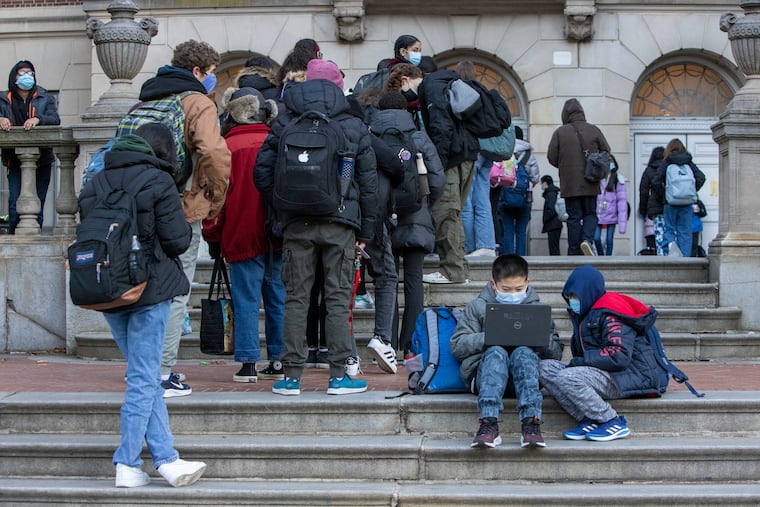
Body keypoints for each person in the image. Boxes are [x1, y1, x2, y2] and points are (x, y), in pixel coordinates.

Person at [77, 126, 206, 488]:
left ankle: (167, 458)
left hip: (106, 291)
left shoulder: (95, 182)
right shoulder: (158, 180)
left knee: (143, 376)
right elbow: (178, 240)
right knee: (143, 379)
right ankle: (127, 461)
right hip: (150, 289)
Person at [254, 59, 378, 395]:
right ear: (338, 88)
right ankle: (339, 375)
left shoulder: (285, 122)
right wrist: (366, 232)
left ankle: (291, 376)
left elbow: (261, 174)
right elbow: (369, 185)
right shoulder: (353, 125)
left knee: (296, 299)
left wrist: (286, 204)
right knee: (338, 300)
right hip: (340, 225)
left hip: (296, 224)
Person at [142, 40, 231, 398]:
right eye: (211, 73)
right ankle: (162, 372)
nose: (211, 80)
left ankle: (145, 367)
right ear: (197, 72)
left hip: (142, 206)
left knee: (146, 289)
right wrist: (214, 197)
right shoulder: (198, 102)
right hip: (181, 207)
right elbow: (212, 152)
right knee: (176, 290)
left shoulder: (147, 99)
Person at [202, 87, 284, 383]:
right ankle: (278, 358)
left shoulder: (227, 147)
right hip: (277, 233)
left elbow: (217, 200)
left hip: (240, 231)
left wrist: (212, 235)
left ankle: (248, 362)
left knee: (245, 299)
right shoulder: (275, 142)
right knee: (278, 296)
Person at [450, 254, 563, 448]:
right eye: (506, 289)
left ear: (528, 282)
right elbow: (458, 345)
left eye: (519, 289)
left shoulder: (536, 309)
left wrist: (538, 339)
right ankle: (488, 423)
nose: (513, 294)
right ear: (493, 285)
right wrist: (490, 337)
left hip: (525, 375)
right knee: (496, 351)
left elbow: (556, 352)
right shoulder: (477, 307)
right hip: (486, 376)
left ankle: (531, 422)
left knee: (524, 352)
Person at [538, 264, 661, 442]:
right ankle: (588, 418)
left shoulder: (610, 313)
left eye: (576, 296)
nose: (572, 300)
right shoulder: (585, 314)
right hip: (604, 371)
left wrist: (581, 362)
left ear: (588, 292)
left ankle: (611, 420)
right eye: (570, 296)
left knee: (568, 377)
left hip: (628, 375)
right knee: (545, 368)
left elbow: (618, 356)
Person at [371, 90, 444, 359]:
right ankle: (411, 348)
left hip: (381, 220)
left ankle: (386, 342)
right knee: (414, 283)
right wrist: (425, 204)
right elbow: (437, 181)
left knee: (384, 282)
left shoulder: (371, 136)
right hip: (415, 216)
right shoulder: (418, 137)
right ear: (406, 110)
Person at [419, 67, 480, 284]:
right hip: (467, 155)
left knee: (446, 212)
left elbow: (440, 126)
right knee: (453, 213)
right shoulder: (450, 83)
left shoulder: (431, 86)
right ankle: (459, 269)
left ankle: (451, 270)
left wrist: (440, 164)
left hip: (452, 158)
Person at [0, 60, 60, 234]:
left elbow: (55, 119)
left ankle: (36, 240)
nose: (27, 76)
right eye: (22, 73)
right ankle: (13, 240)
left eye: (30, 73)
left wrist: (38, 119)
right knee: (14, 205)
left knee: (37, 206)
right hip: (15, 160)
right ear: (14, 76)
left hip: (42, 159)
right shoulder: (4, 99)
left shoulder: (44, 97)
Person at [547, 98, 611, 256]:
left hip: (570, 184)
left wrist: (566, 168)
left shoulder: (560, 133)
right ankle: (586, 241)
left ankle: (574, 250)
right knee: (590, 214)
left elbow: (551, 157)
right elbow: (606, 151)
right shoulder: (593, 130)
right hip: (591, 181)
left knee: (574, 217)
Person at [459, 61, 498, 259]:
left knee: (466, 200)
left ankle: (470, 245)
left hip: (472, 150)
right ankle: (487, 245)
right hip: (489, 151)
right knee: (483, 199)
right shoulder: (485, 91)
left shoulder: (462, 92)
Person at [654, 138, 706, 257]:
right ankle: (685, 261)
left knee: (670, 230)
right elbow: (701, 177)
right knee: (685, 233)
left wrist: (665, 194)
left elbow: (656, 181)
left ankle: (672, 256)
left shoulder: (667, 162)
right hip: (687, 203)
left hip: (670, 202)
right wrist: (691, 192)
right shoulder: (688, 162)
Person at [499, 126, 540, 256]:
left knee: (508, 230)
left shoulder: (504, 152)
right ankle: (521, 259)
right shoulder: (529, 155)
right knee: (521, 231)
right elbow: (535, 178)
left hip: (506, 197)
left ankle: (509, 260)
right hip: (524, 198)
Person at [594, 155, 628, 256]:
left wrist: (622, 226)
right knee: (596, 238)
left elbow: (622, 203)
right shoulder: (596, 178)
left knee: (609, 240)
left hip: (612, 216)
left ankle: (608, 259)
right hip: (598, 214)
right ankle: (601, 257)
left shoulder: (617, 179)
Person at [638, 146, 665, 255]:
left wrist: (643, 210)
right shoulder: (668, 168)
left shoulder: (648, 170)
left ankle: (661, 257)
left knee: (658, 235)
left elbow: (643, 192)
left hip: (655, 209)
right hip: (669, 206)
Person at [540, 175, 563, 256]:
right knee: (554, 246)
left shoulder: (550, 194)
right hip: (556, 223)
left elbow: (551, 209)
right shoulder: (554, 192)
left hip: (553, 224)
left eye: (541, 183)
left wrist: (545, 219)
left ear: (545, 183)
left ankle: (557, 266)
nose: (541, 186)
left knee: (553, 248)